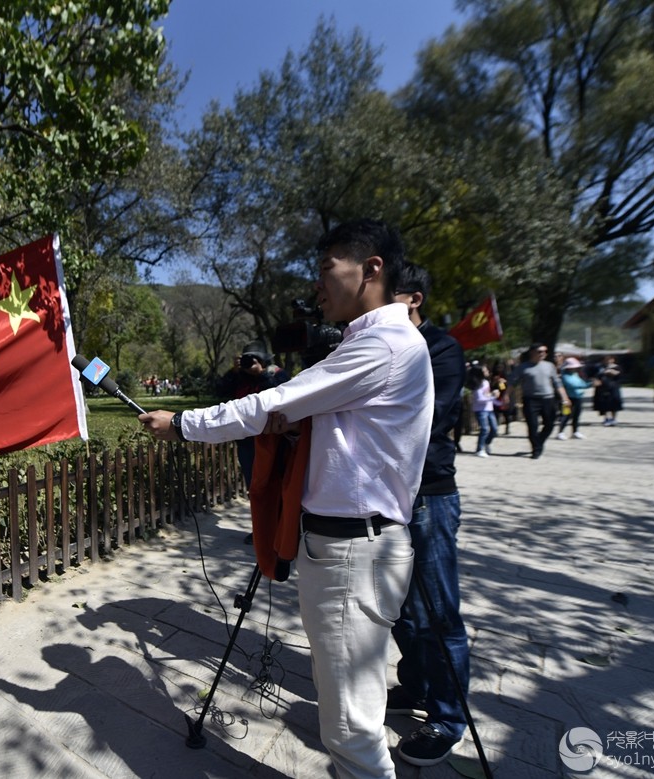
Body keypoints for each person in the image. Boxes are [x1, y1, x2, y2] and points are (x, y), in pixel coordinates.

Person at [141, 218, 434, 778]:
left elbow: (269, 402)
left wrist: (182, 424)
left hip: (354, 551)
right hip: (343, 546)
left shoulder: (383, 344)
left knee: (350, 727)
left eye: (328, 269)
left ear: (372, 269)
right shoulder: (373, 341)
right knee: (343, 705)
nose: (318, 286)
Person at [387, 263, 472, 767]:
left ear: (413, 299)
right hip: (386, 496)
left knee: (439, 611)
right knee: (400, 607)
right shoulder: (379, 343)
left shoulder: (440, 348)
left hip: (430, 495)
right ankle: (415, 685)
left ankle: (446, 717)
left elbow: (425, 417)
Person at [217, 339, 291, 542]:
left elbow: (284, 398)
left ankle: (283, 529)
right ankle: (262, 530)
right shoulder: (238, 378)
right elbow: (218, 392)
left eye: (254, 359)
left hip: (275, 442)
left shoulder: (277, 374)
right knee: (256, 488)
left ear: (264, 360)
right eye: (246, 360)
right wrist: (232, 372)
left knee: (278, 485)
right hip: (248, 443)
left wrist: (262, 376)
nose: (250, 364)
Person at [511, 343, 570, 458]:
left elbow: (557, 383)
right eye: (540, 351)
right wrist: (506, 396)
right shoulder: (523, 367)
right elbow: (512, 383)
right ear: (532, 352)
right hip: (530, 399)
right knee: (532, 426)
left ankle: (539, 442)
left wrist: (565, 397)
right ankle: (536, 450)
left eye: (545, 351)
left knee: (550, 424)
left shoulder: (549, 366)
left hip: (548, 398)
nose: (543, 353)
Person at [556, 357, 592, 440]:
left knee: (577, 415)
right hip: (568, 399)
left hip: (578, 398)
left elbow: (581, 382)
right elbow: (573, 385)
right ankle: (560, 432)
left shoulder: (575, 375)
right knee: (566, 415)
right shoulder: (564, 376)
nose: (575, 369)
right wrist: (589, 385)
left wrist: (587, 384)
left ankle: (575, 432)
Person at [468, 362, 497, 457]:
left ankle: (486, 443)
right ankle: (479, 449)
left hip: (489, 408)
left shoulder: (486, 382)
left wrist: (497, 401)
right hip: (480, 410)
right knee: (484, 429)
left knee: (494, 429)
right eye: (485, 370)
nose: (487, 371)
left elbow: (487, 395)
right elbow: (480, 399)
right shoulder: (477, 384)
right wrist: (493, 396)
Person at [592, 354, 623, 426]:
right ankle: (606, 418)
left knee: (614, 403)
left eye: (609, 359)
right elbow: (596, 376)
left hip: (613, 387)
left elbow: (619, 374)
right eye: (606, 359)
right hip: (603, 387)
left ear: (613, 360)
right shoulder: (601, 367)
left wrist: (610, 371)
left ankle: (614, 418)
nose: (607, 361)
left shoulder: (617, 367)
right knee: (604, 404)